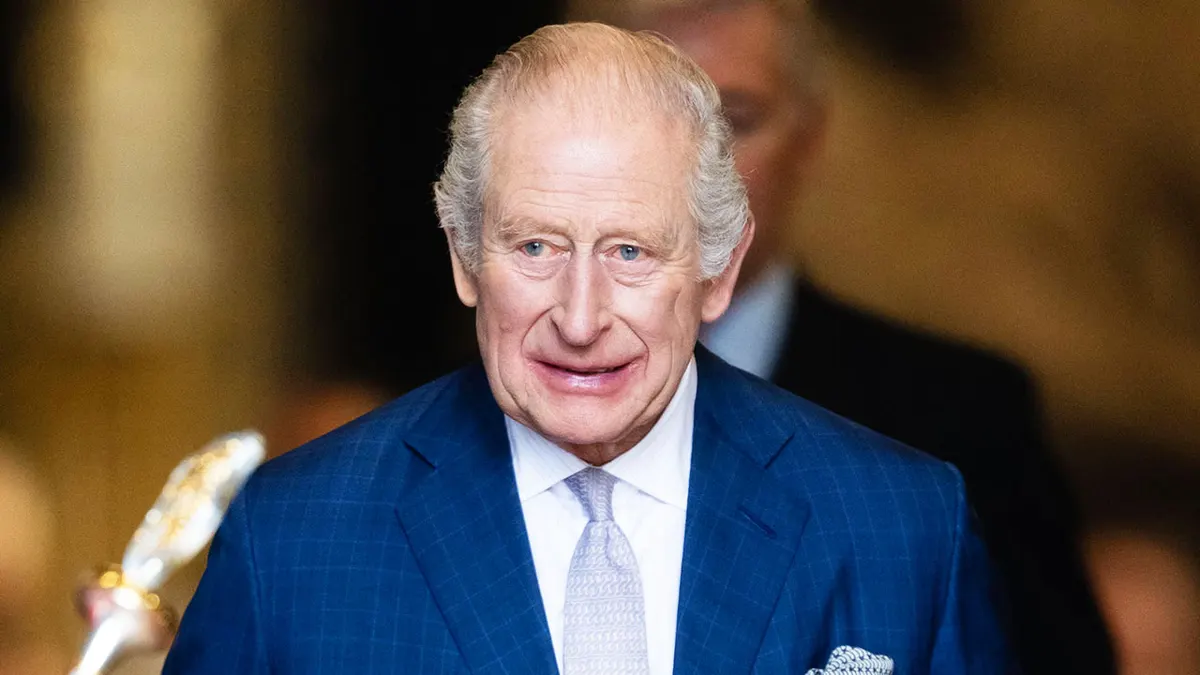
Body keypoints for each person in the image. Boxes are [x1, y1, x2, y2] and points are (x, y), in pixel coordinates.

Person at [164, 23, 1013, 673]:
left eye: (630, 252)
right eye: (536, 246)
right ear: (464, 256)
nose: (579, 318)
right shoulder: (295, 536)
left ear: (719, 270)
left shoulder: (901, 525)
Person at [570, 1, 1115, 672]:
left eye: (735, 120)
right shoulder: (480, 412)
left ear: (808, 139)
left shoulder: (958, 423)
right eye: (646, 119)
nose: (689, 167)